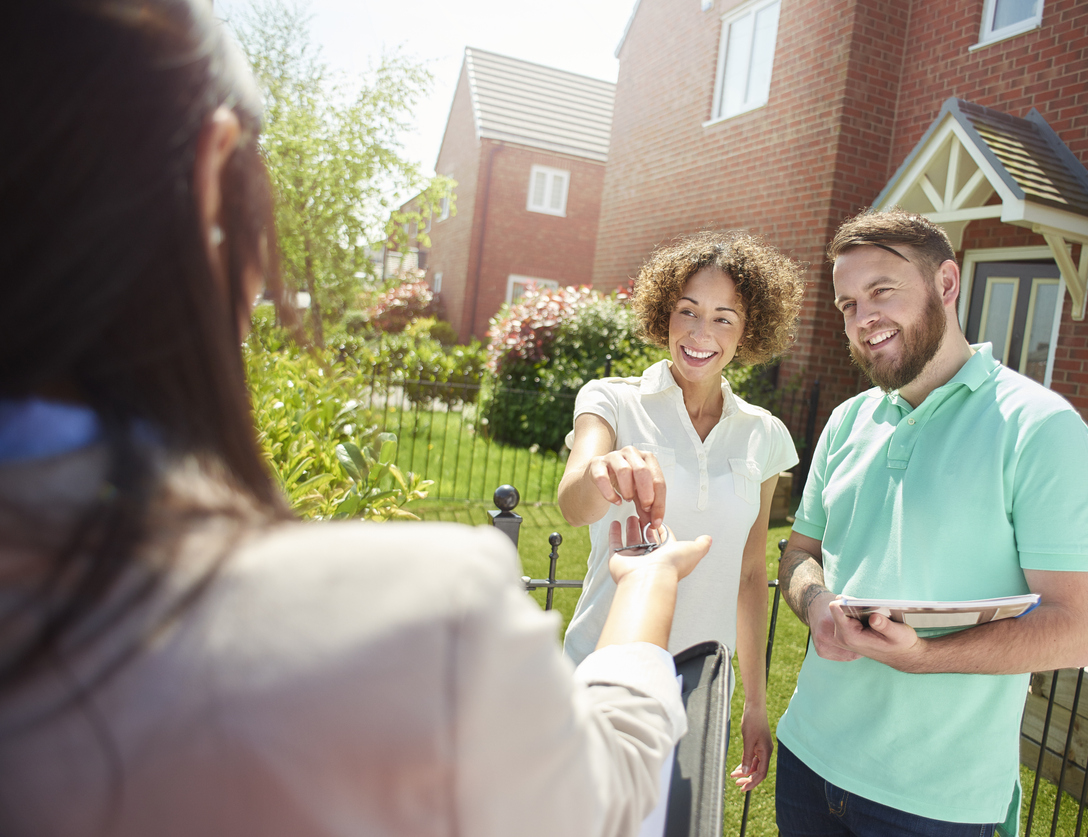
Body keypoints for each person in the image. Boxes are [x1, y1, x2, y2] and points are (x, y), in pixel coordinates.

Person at [0, 2, 713, 835]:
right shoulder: (418, 622)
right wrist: (649, 580)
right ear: (210, 172)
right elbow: (607, 800)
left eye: (723, 318)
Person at [773, 209, 1088, 836]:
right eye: (848, 304)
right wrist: (815, 600)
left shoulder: (1040, 428)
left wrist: (922, 658)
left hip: (933, 801)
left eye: (882, 291)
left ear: (947, 283)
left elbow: (1077, 630)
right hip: (808, 758)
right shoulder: (847, 421)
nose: (862, 317)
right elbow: (797, 554)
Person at [558, 232, 806, 793]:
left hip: (701, 684)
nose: (700, 333)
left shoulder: (764, 434)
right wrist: (602, 474)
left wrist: (754, 704)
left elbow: (749, 575)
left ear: (749, 331)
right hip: (605, 669)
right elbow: (573, 503)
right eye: (687, 311)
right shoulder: (612, 400)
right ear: (663, 314)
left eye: (724, 318)